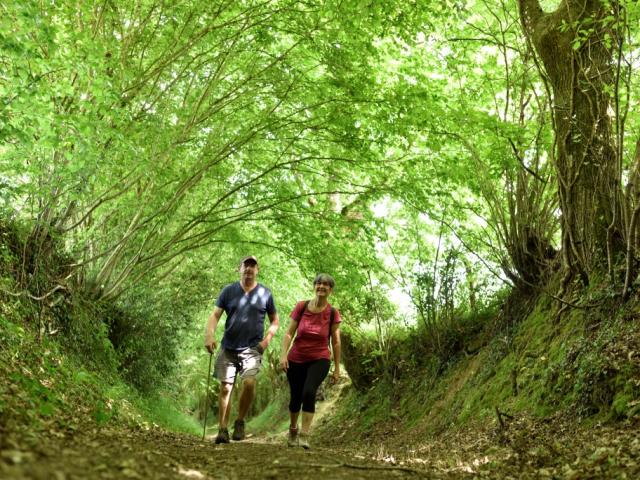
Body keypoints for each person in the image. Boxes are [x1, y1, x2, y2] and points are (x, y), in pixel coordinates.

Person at [204, 255, 279, 444]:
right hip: (228, 347)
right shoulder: (229, 291)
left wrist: (267, 340)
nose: (249, 269)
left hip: (252, 348)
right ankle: (222, 429)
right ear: (240, 269)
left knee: (249, 384)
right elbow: (215, 315)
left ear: (257, 270)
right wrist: (209, 335)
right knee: (225, 388)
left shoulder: (265, 294)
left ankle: (239, 422)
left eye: (253, 266)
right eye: (246, 266)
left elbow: (275, 321)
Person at [279, 273, 341, 449]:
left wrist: (336, 368)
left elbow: (336, 342)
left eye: (326, 285)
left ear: (330, 290)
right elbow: (289, 332)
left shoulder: (333, 313)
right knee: (295, 397)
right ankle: (293, 429)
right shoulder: (302, 306)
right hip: (296, 358)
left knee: (309, 391)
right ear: (314, 287)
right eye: (319, 284)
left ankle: (304, 435)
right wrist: (283, 355)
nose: (321, 287)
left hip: (320, 358)